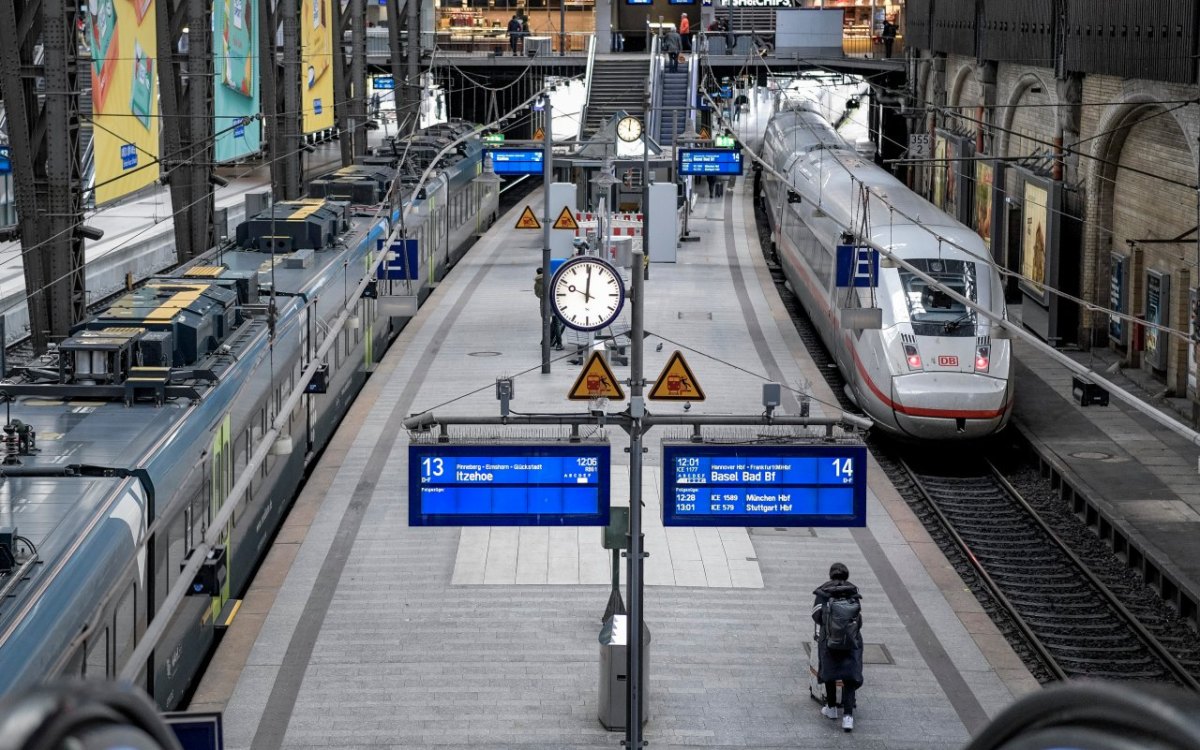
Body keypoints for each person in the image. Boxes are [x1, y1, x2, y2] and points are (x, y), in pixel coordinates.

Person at [811, 562, 864, 732]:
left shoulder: (824, 592)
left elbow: (816, 615)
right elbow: (858, 617)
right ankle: (848, 717)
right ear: (846, 575)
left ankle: (831, 708)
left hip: (829, 640)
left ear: (831, 575)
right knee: (849, 677)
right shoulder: (853, 592)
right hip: (851, 641)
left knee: (830, 672)